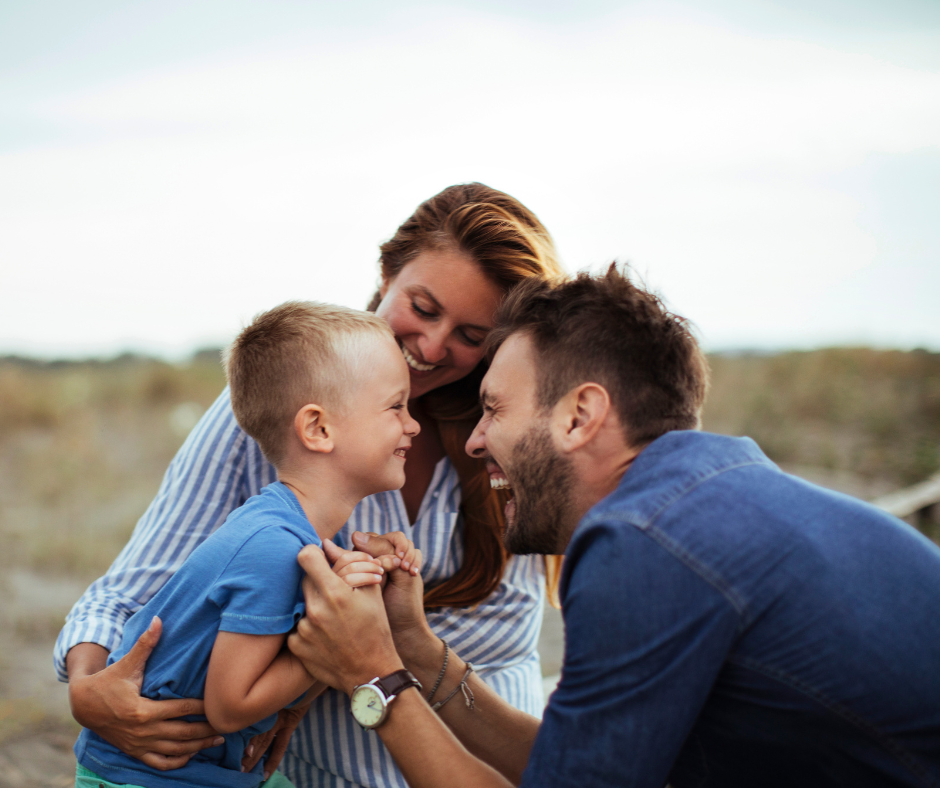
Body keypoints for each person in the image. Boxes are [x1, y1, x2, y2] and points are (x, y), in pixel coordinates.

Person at [287, 266, 940, 788]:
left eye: (494, 409)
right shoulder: (709, 501)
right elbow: (569, 765)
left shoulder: (644, 542)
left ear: (580, 416)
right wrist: (418, 655)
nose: (478, 441)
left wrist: (373, 676)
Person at [56, 183, 567, 787]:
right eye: (424, 309)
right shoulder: (285, 406)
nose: (431, 346)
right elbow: (139, 586)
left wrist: (357, 644)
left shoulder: (509, 438)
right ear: (386, 275)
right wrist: (91, 691)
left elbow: (488, 640)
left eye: (471, 335)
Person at [74, 302, 424, 788]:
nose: (413, 424)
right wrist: (332, 641)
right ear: (319, 429)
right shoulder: (271, 548)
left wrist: (371, 582)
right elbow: (230, 706)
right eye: (396, 406)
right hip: (149, 777)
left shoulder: (310, 532)